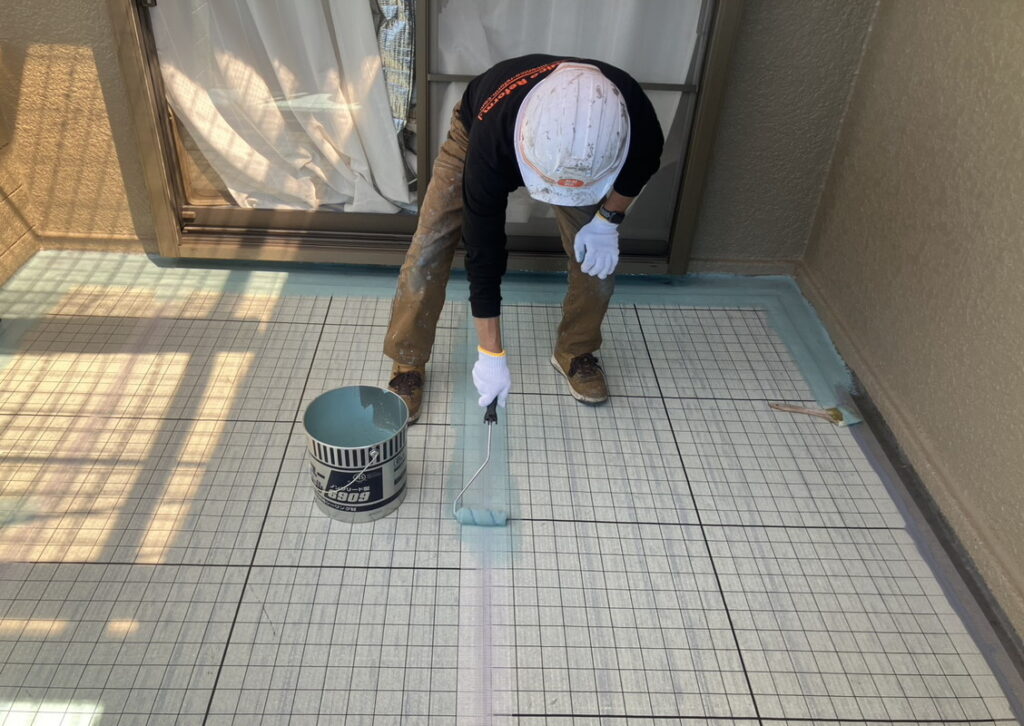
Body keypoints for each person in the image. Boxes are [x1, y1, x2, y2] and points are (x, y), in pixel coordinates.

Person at [384, 54, 664, 422]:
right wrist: (491, 355)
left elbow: (643, 165)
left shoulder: (632, 118)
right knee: (429, 247)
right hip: (476, 130)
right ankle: (407, 361)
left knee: (597, 261)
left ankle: (576, 350)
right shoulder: (491, 142)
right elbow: (483, 252)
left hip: (586, 162)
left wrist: (607, 220)